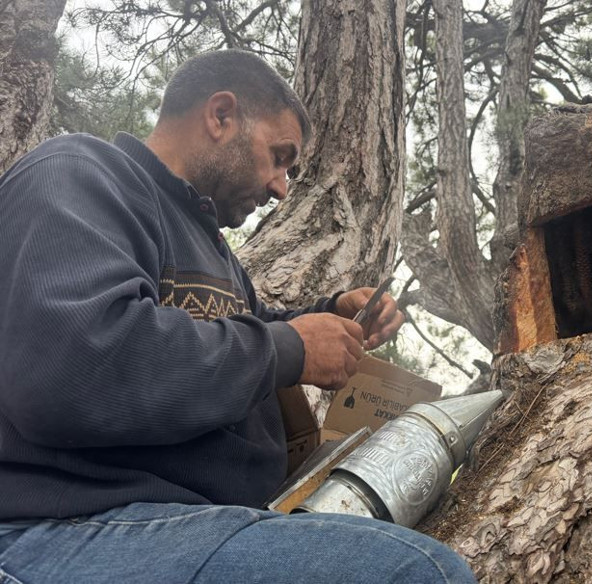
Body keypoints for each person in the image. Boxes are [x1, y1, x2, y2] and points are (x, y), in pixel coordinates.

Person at [0, 50, 476, 583]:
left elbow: (247, 328)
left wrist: (328, 315)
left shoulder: (215, 251)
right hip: (64, 525)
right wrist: (291, 346)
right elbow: (74, 367)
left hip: (198, 526)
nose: (281, 188)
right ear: (221, 115)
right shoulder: (79, 173)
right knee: (419, 572)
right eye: (279, 157)